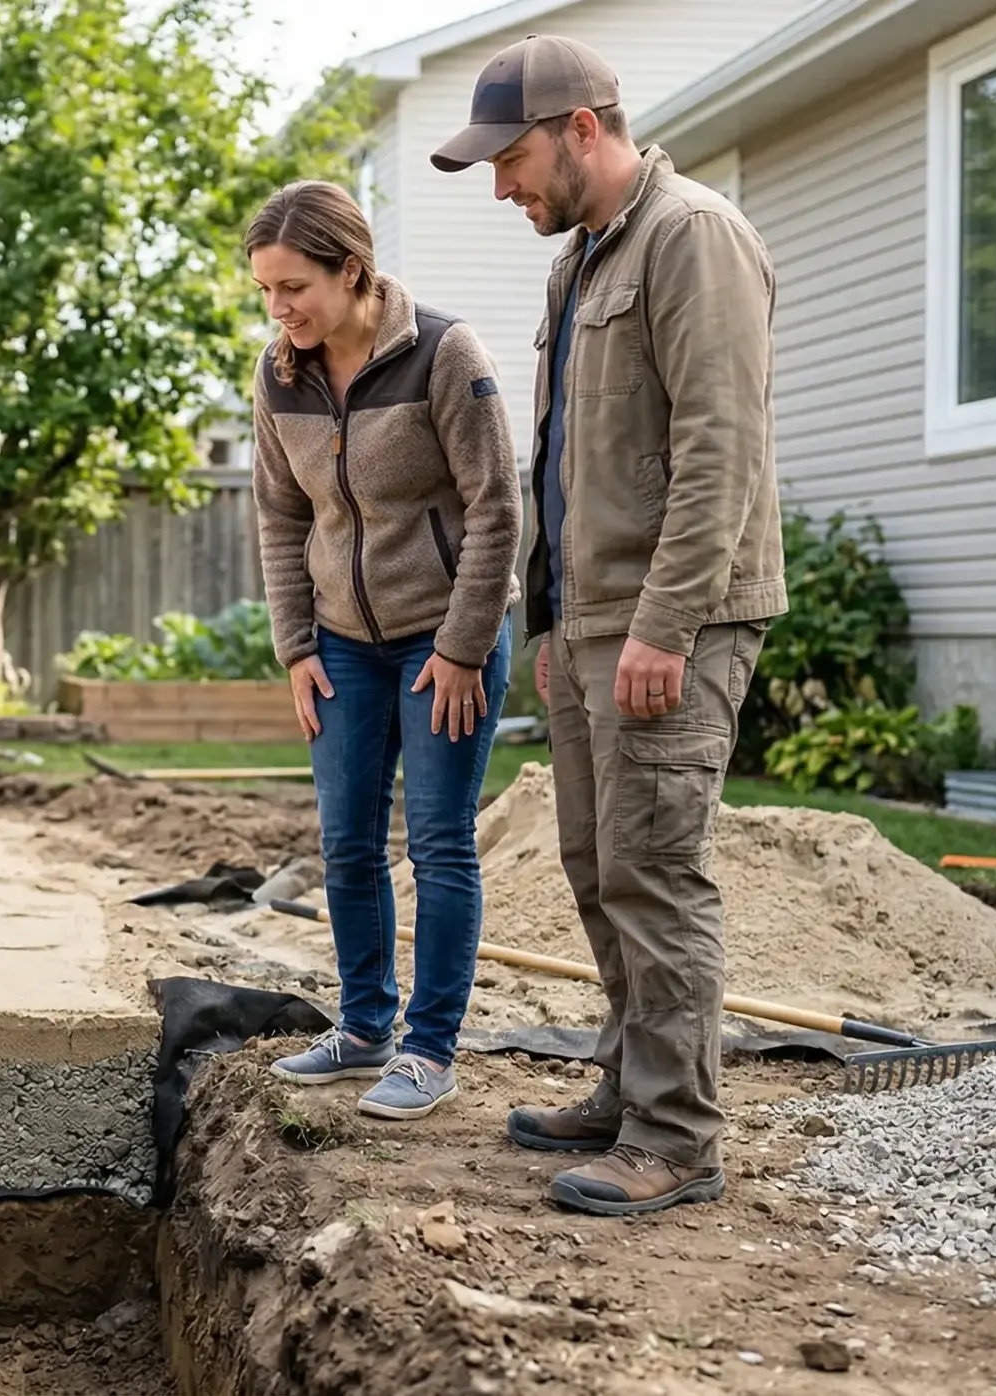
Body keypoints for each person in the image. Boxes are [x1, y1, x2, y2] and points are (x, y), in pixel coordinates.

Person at [431, 35, 785, 1215]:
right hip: (588, 621)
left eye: (513, 158)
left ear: (584, 127)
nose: (501, 188)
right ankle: (626, 1085)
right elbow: (563, 459)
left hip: (667, 621)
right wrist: (549, 616)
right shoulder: (578, 261)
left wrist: (663, 625)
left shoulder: (694, 236)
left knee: (654, 869)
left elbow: (718, 454)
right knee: (593, 865)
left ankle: (677, 1138)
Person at [244, 180, 524, 1122]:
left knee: (442, 844)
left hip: (446, 641)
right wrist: (294, 644)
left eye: (294, 289)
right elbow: (281, 518)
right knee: (346, 841)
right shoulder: (280, 375)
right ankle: (364, 1025)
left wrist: (461, 645)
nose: (280, 312)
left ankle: (430, 1049)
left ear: (351, 271)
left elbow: (497, 508)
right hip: (341, 646)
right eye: (265, 294)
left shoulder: (445, 355)